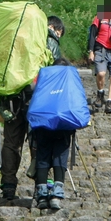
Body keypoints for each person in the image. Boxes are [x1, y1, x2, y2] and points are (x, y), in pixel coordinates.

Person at [0, 16, 66, 201]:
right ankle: (41, 186)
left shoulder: (17, 38)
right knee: (38, 143)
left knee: (11, 143)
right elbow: (55, 74)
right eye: (59, 32)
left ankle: (8, 186)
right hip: (37, 100)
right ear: (53, 28)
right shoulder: (50, 42)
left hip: (12, 98)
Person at [32, 58, 75, 210]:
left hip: (43, 123)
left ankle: (42, 195)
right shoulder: (69, 79)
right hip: (63, 125)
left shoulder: (44, 76)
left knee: (42, 157)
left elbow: (34, 92)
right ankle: (57, 194)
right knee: (60, 157)